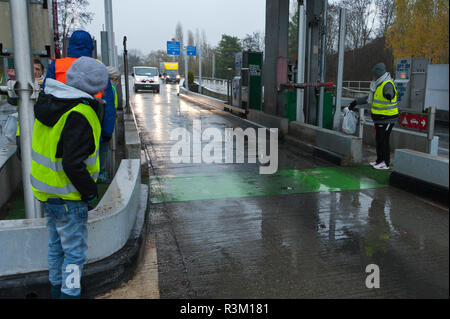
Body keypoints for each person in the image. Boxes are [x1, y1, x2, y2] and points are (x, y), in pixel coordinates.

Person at [31, 56, 109, 299]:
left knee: (56, 248)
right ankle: (70, 294)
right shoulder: (82, 112)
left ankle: (57, 290)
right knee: (74, 255)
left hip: (47, 194)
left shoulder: (50, 102)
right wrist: (89, 191)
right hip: (70, 196)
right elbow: (73, 164)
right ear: (98, 87)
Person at [42, 30, 116, 180]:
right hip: (92, 129)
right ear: (90, 48)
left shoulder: (56, 66)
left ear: (70, 46)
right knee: (87, 173)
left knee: (60, 170)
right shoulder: (97, 68)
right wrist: (107, 134)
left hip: (57, 129)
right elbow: (108, 106)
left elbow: (45, 97)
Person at [348, 62, 399, 170]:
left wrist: (389, 95)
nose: (373, 77)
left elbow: (390, 92)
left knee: (383, 140)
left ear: (379, 74)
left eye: (374, 75)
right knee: (379, 140)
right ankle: (379, 160)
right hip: (380, 119)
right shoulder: (377, 85)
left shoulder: (387, 84)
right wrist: (355, 102)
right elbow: (368, 99)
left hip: (388, 118)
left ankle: (385, 162)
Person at [6, 58, 46, 159]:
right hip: (23, 131)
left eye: (37, 69)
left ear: (42, 71)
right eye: (32, 69)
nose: (35, 71)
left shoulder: (47, 84)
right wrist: (12, 81)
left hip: (42, 131)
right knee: (24, 160)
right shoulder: (19, 84)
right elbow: (12, 101)